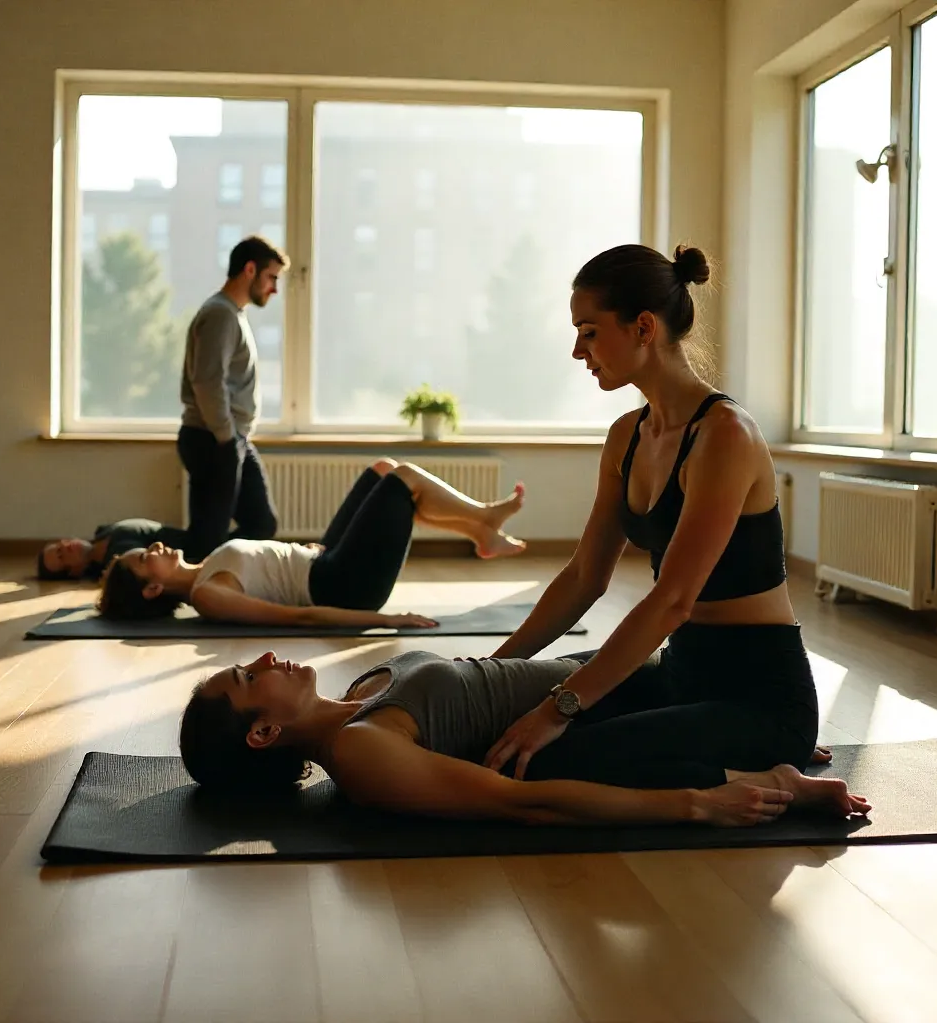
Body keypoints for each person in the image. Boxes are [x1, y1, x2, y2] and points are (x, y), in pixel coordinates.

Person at [467, 242, 827, 792]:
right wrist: (489, 674)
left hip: (759, 695)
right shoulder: (625, 437)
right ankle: (722, 759)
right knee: (493, 737)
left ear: (642, 327)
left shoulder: (725, 435)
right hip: (681, 675)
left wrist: (559, 709)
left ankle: (775, 780)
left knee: (541, 761)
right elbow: (586, 577)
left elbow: (673, 600)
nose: (576, 351)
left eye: (589, 332)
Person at [176, 649, 870, 828]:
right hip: (621, 715)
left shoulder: (363, 691)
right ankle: (767, 772)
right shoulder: (361, 750)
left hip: (625, 679)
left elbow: (496, 675)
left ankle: (742, 739)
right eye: (248, 676)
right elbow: (517, 802)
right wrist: (696, 802)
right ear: (263, 732)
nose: (266, 660)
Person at [97, 459, 527, 626]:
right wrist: (389, 620)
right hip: (343, 585)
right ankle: (483, 519)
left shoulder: (209, 563)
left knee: (382, 471)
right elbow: (297, 615)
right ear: (153, 589)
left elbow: (274, 568)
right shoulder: (208, 593)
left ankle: (479, 534)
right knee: (405, 479)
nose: (154, 547)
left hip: (324, 560)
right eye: (144, 560)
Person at [178, 235, 287, 559]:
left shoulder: (232, 313)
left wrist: (233, 440)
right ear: (250, 270)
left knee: (261, 523)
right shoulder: (221, 314)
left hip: (229, 439)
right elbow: (208, 381)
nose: (275, 288)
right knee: (207, 535)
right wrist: (226, 438)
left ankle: (217, 576)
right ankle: (152, 571)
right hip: (213, 439)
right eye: (272, 277)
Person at [37, 519, 220, 581]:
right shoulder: (121, 561)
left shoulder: (102, 532)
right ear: (73, 572)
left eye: (60, 544)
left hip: (206, 531)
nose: (66, 547)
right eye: (61, 555)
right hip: (209, 545)